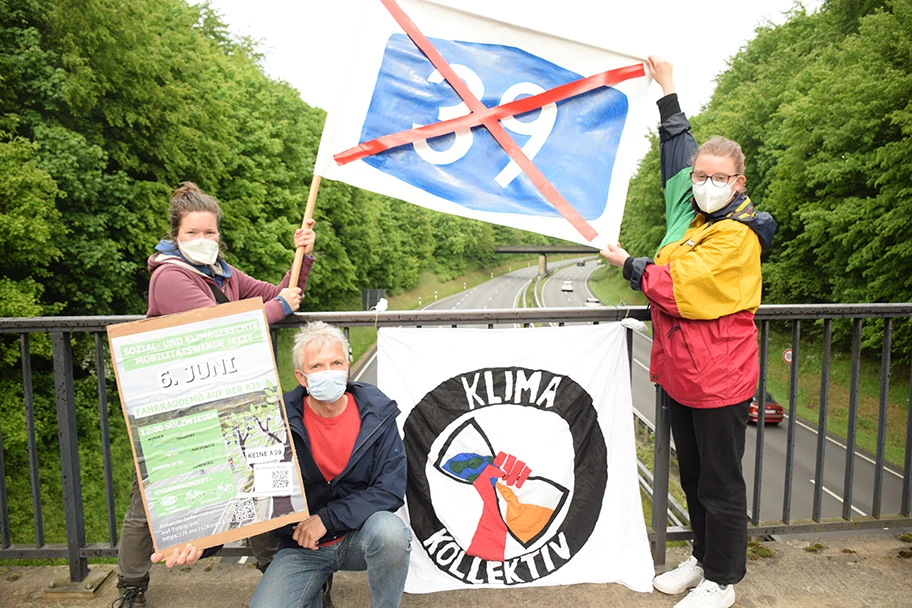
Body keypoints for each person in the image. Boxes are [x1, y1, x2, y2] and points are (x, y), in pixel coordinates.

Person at [600, 57, 775, 608]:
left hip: (719, 378)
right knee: (694, 474)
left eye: (717, 177)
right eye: (701, 176)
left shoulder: (736, 238)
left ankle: (723, 582)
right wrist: (668, 91)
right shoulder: (697, 220)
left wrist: (630, 265)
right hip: (684, 374)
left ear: (738, 182)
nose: (704, 184)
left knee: (721, 484)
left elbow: (680, 289)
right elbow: (678, 153)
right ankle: (702, 559)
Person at [113, 182, 316, 608]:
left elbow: (275, 293)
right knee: (149, 500)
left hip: (227, 404)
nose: (203, 241)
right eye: (193, 233)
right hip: (174, 412)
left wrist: (304, 256)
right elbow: (216, 327)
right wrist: (280, 308)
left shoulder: (222, 273)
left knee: (257, 486)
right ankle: (131, 586)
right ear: (175, 236)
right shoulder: (169, 276)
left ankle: (275, 574)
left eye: (210, 233)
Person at [158, 321, 411, 608]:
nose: (328, 372)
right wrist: (202, 543)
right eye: (317, 366)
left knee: (391, 533)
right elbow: (247, 491)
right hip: (301, 546)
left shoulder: (378, 415)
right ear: (301, 377)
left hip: (360, 535)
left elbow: (390, 489)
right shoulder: (272, 423)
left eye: (336, 362)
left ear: (348, 367)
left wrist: (326, 519)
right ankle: (314, 587)